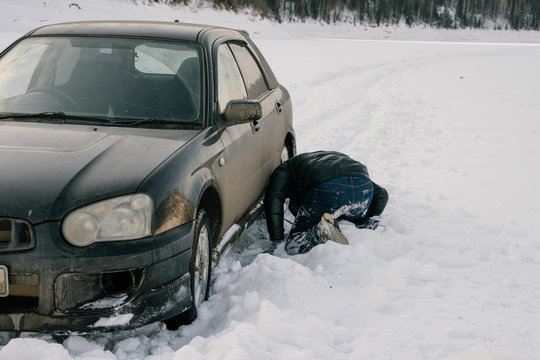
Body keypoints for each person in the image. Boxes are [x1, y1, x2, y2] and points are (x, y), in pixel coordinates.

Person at [264, 150, 388, 255]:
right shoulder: (313, 163)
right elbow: (382, 194)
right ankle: (366, 223)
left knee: (294, 243)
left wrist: (277, 239)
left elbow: (273, 199)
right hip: (364, 187)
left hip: (329, 188)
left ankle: (320, 231)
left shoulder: (284, 169)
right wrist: (370, 216)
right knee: (345, 212)